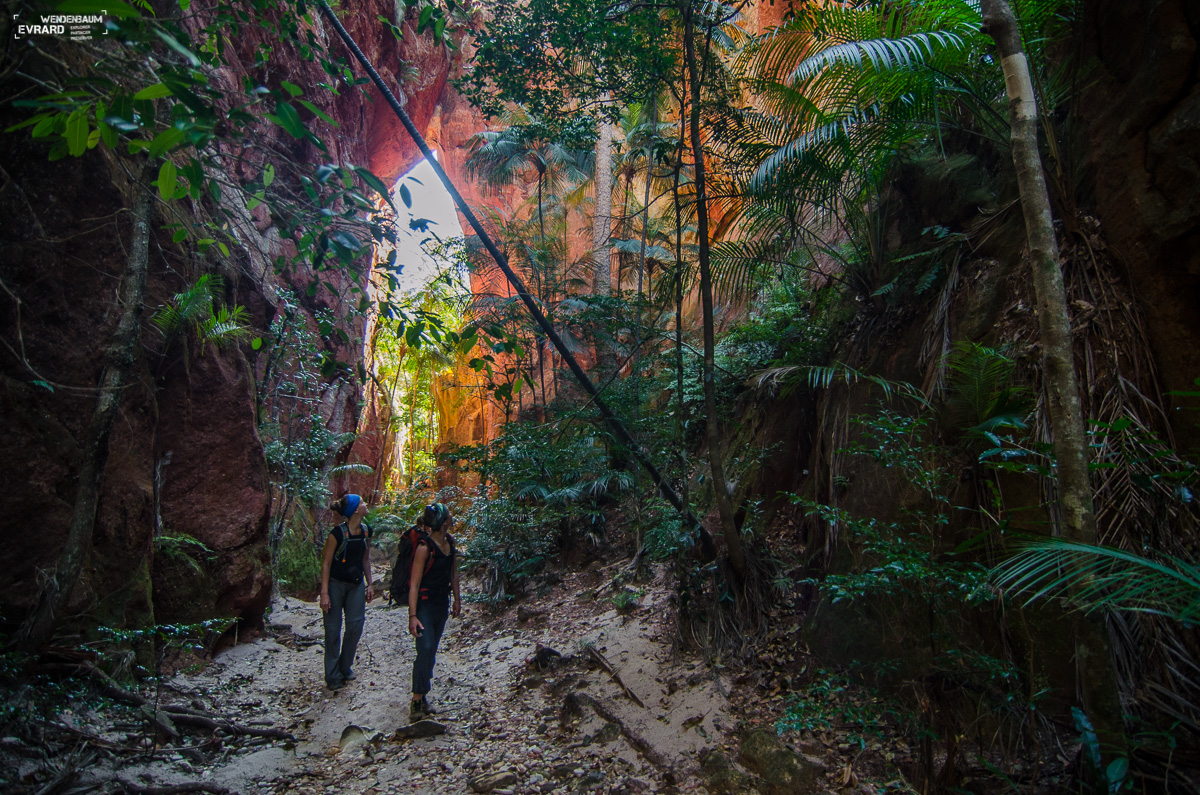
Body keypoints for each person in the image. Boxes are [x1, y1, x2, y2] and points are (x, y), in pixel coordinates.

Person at [408, 502, 460, 720]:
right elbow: (414, 584)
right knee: (426, 647)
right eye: (448, 514)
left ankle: (422, 696)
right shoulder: (424, 548)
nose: (451, 516)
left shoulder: (450, 543)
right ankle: (416, 701)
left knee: (431, 651)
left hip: (441, 604)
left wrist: (458, 599)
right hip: (425, 606)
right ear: (442, 521)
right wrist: (412, 615)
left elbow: (453, 574)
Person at [320, 493, 375, 690]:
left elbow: (365, 559)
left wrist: (370, 583)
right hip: (335, 585)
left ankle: (345, 667)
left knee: (355, 626)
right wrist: (324, 593)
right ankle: (333, 676)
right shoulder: (336, 534)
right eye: (361, 502)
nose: (365, 504)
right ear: (355, 510)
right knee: (333, 630)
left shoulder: (367, 531)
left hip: (356, 585)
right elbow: (326, 564)